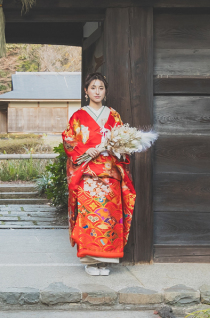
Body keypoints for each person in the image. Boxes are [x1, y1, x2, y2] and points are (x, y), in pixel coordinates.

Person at [62, 72, 136, 276]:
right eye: (93, 87)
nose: (97, 91)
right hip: (88, 174)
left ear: (105, 91)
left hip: (110, 172)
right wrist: (85, 151)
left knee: (110, 216)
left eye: (101, 88)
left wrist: (115, 148)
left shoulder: (114, 115)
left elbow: (123, 143)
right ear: (86, 91)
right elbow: (69, 141)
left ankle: (106, 260)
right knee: (90, 217)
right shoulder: (78, 116)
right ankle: (90, 261)